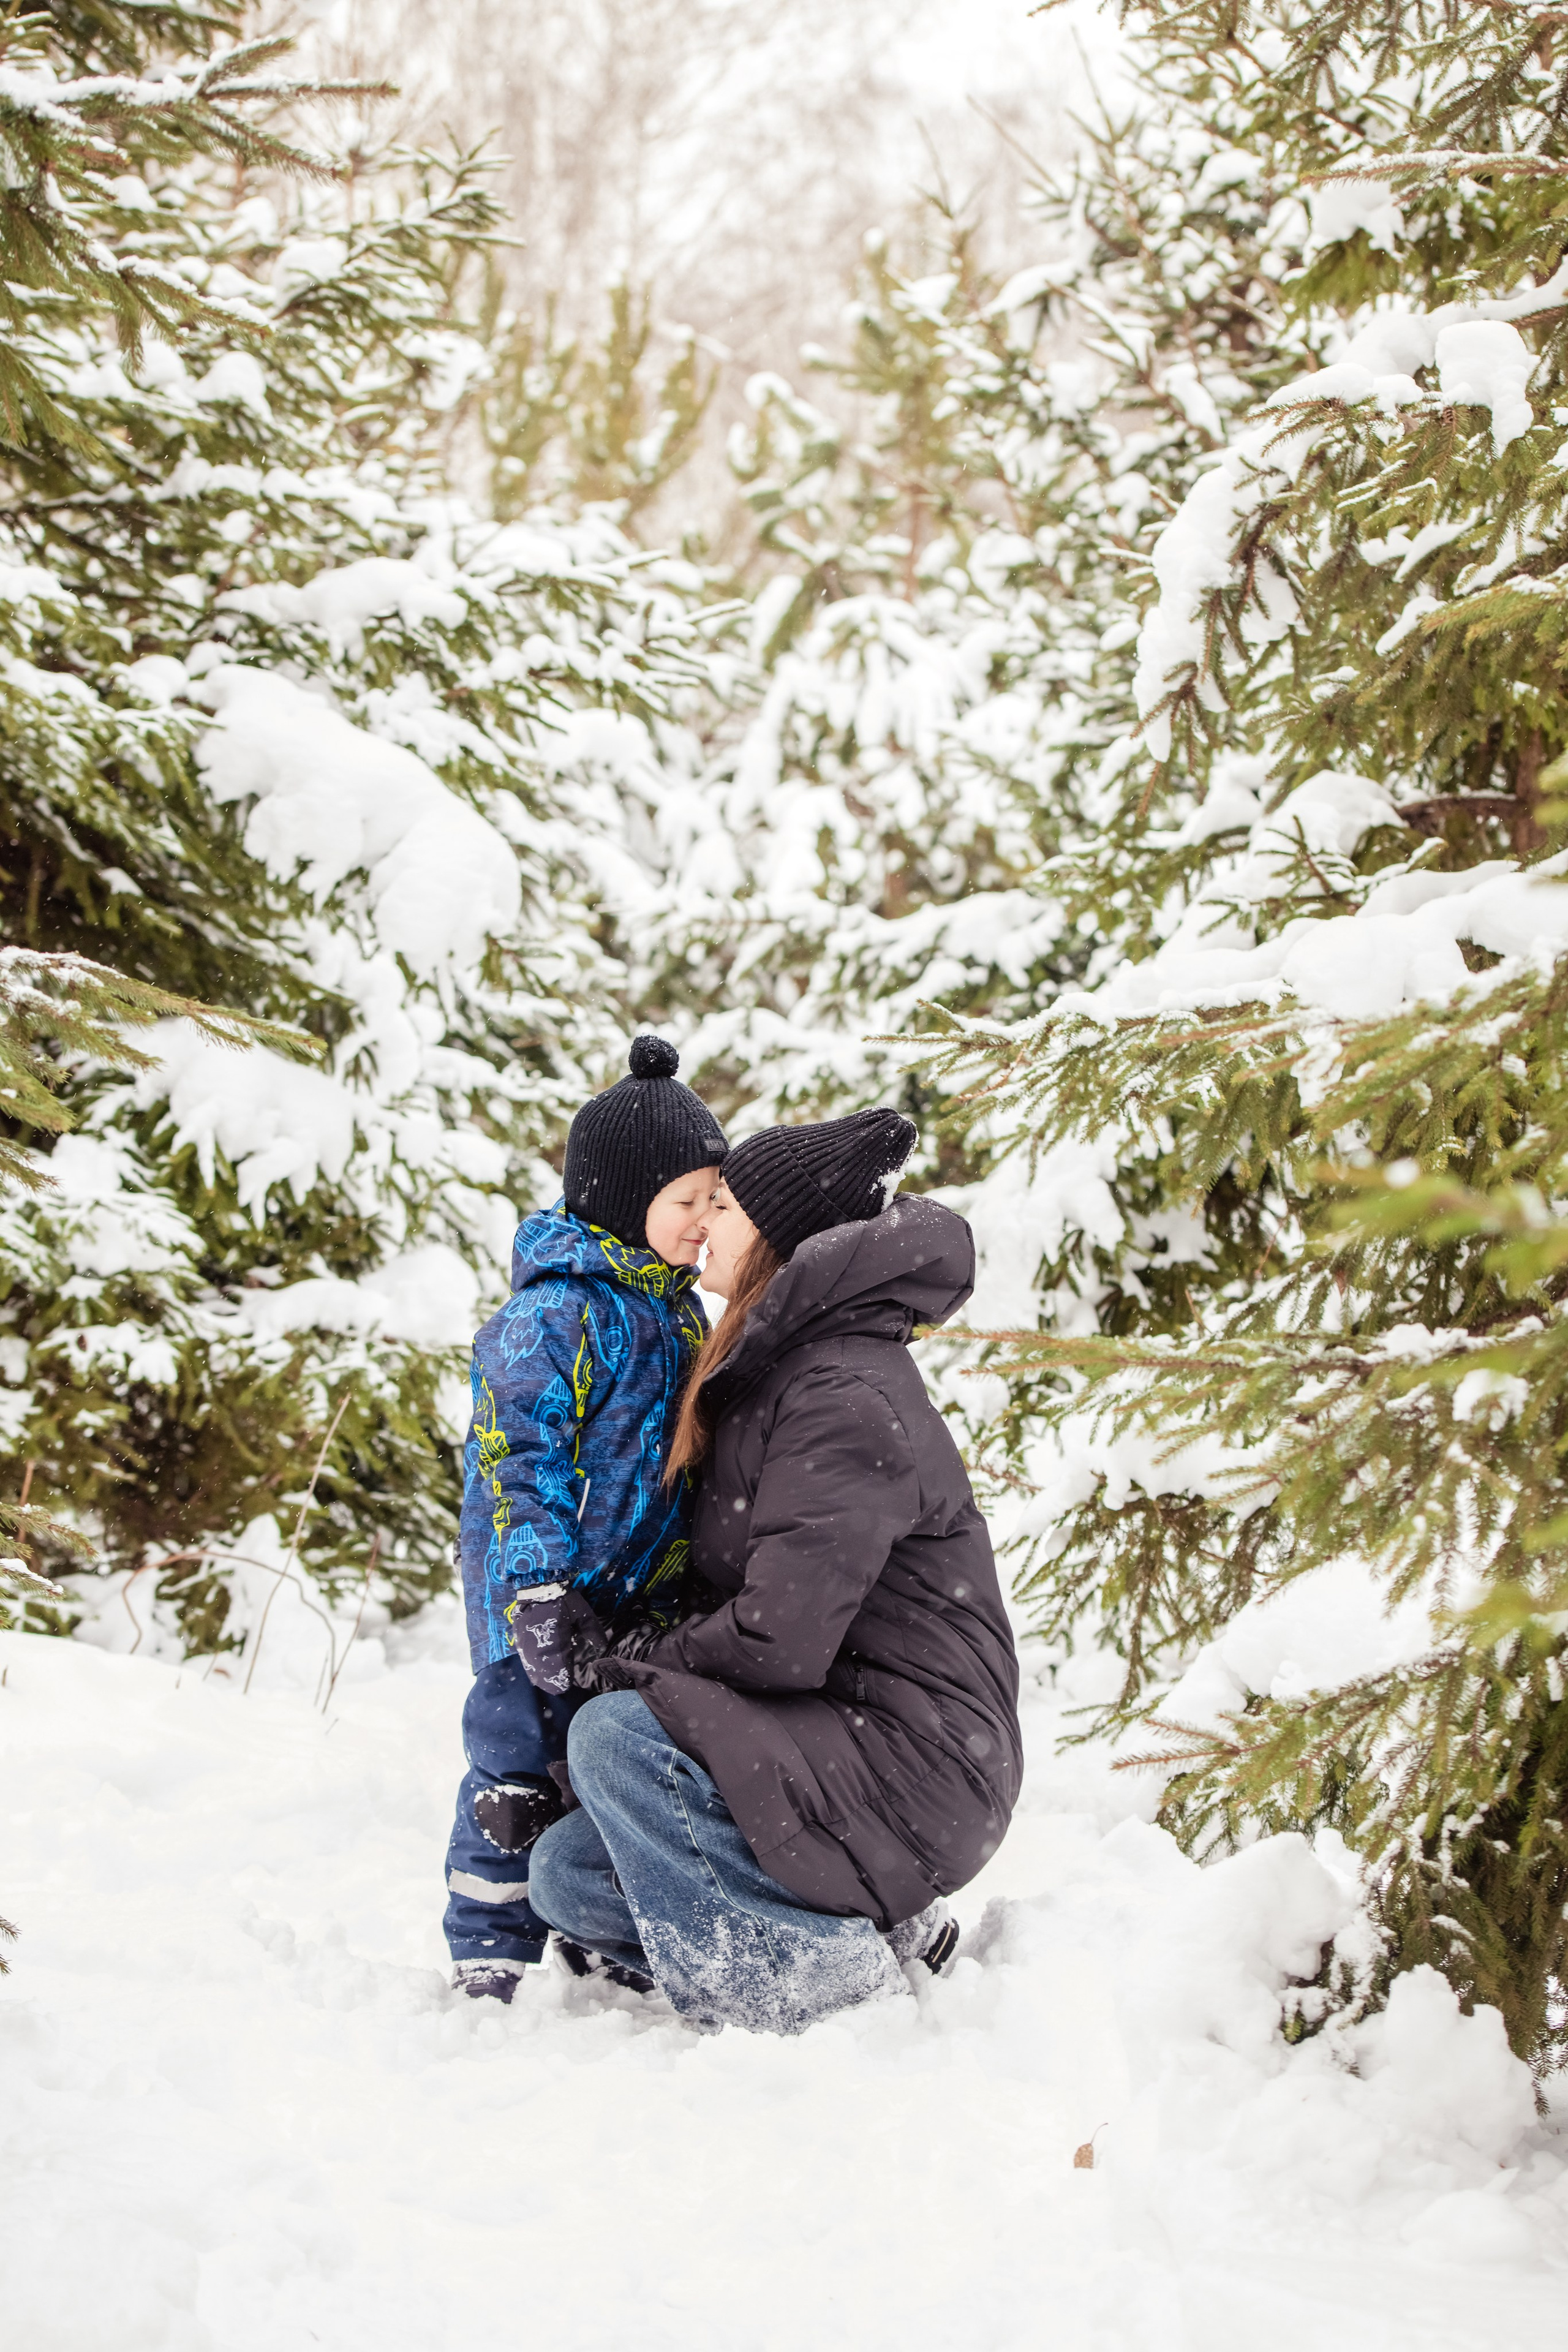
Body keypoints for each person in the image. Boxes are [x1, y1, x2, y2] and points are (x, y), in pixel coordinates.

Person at [529, 1107, 1023, 2034]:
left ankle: (818, 1999)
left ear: (780, 1237)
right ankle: (886, 1930)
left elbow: (779, 1639)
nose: (704, 1225)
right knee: (569, 1875)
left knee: (619, 1741)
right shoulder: (786, 1367)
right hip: (837, 1735)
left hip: (919, 1762)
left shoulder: (841, 1394)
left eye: (727, 1207)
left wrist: (625, 1665)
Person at [444, 1036, 727, 2001]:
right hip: (538, 1595)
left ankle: (583, 1926)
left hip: (628, 1600)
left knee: (594, 1763)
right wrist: (539, 1586)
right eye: (687, 1199)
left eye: (714, 1199)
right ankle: (489, 1937)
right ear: (621, 1196)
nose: (705, 1220)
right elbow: (513, 1462)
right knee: (513, 1765)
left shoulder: (678, 1314)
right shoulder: (550, 1316)